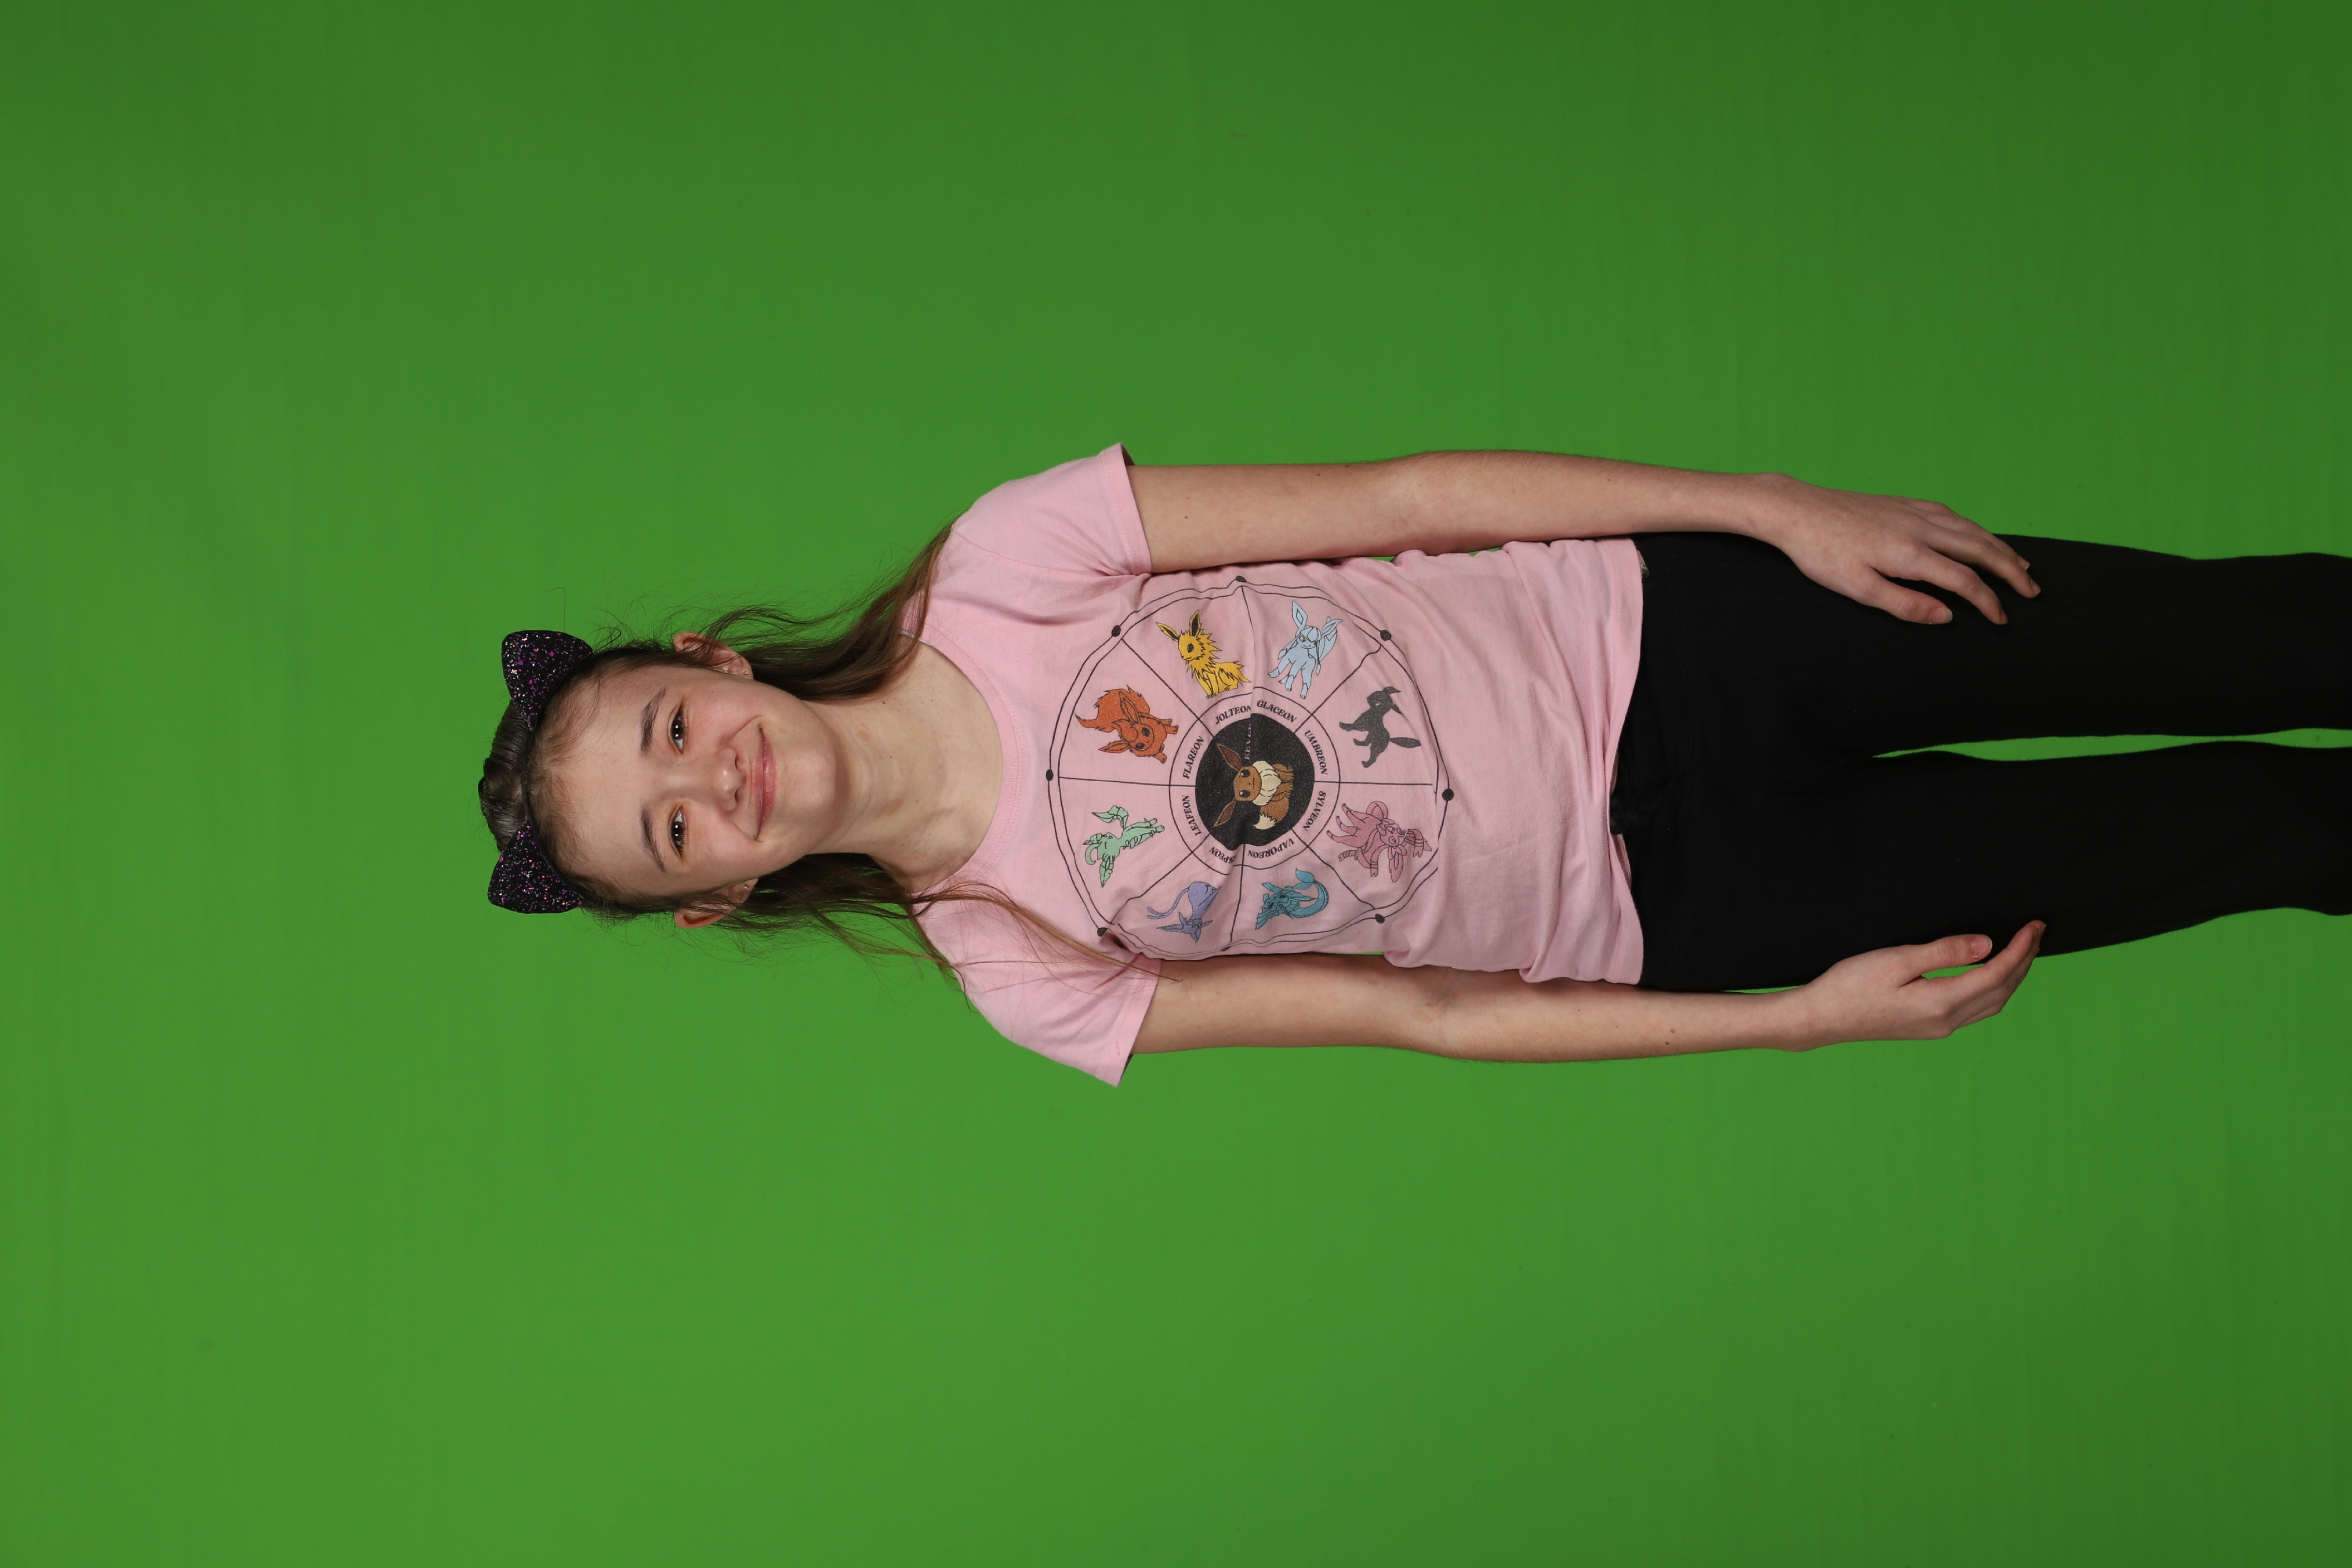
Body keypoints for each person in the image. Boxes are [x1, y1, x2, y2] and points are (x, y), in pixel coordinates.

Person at [476, 446, 2352, 1084]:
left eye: (669, 732)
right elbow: (1431, 1014)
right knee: (2256, 829)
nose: (714, 780)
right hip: (1695, 907)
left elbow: (1407, 498)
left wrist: (1767, 510)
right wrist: (1792, 1019)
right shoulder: (1019, 969)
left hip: (1682, 633)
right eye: (670, 831)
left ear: (708, 665)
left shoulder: (1008, 559)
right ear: (714, 891)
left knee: (2236, 633)